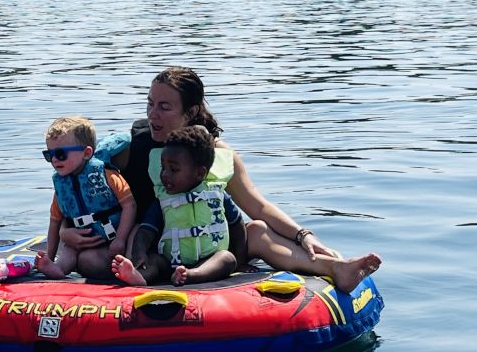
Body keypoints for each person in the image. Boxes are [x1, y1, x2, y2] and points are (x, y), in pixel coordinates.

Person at [61, 66, 381, 293]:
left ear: (191, 111)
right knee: (89, 259)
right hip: (153, 249)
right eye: (150, 104)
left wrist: (303, 235)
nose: (153, 114)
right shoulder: (130, 150)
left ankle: (337, 269)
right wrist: (66, 231)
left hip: (211, 250)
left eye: (165, 106)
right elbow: (79, 194)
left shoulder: (214, 153)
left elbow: (256, 205)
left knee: (256, 231)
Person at [112, 125, 246, 286]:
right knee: (154, 260)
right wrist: (139, 252)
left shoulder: (217, 195)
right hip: (170, 263)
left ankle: (191, 274)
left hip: (209, 260)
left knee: (227, 258)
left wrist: (240, 260)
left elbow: (237, 224)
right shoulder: (163, 200)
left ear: (199, 173)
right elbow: (146, 230)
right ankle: (139, 276)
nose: (164, 174)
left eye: (173, 169)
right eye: (163, 168)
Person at [34, 116, 136, 279]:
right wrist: (49, 256)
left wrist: (120, 239)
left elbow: (129, 205)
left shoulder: (106, 175)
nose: (54, 159)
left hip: (114, 239)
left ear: (86, 153)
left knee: (128, 239)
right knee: (70, 249)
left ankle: (130, 270)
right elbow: (55, 222)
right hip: (83, 240)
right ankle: (57, 268)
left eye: (60, 154)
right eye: (49, 154)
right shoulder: (61, 187)